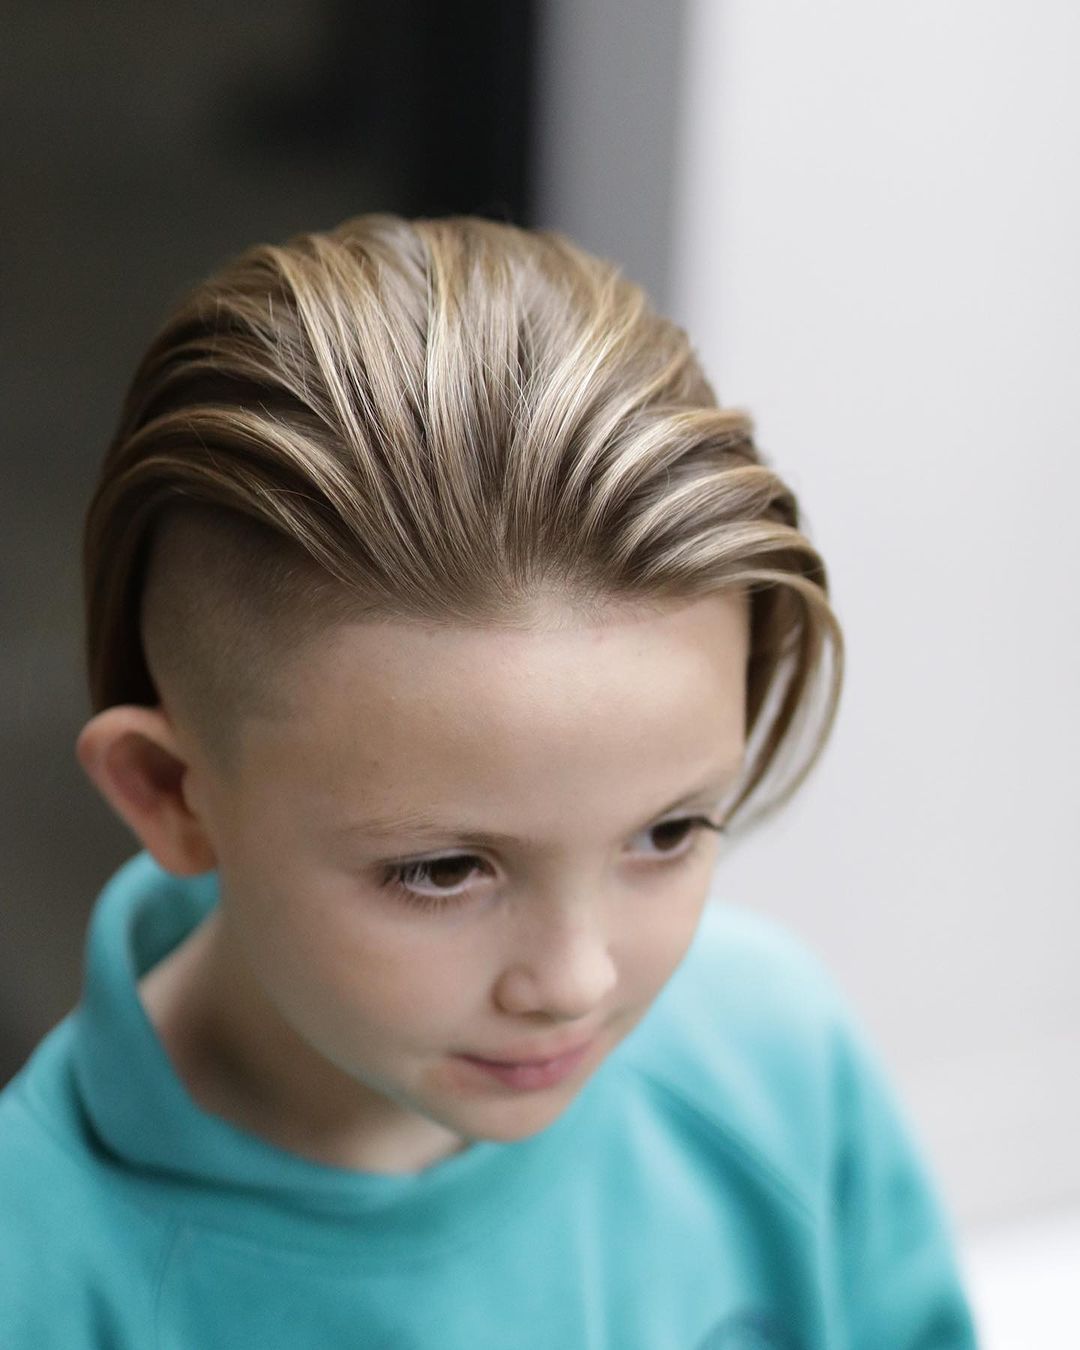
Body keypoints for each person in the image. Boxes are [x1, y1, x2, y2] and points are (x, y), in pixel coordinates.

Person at [0, 214, 979, 1348]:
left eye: (666, 834)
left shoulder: (775, 1064)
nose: (574, 981)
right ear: (169, 793)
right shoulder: (39, 1279)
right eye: (444, 869)